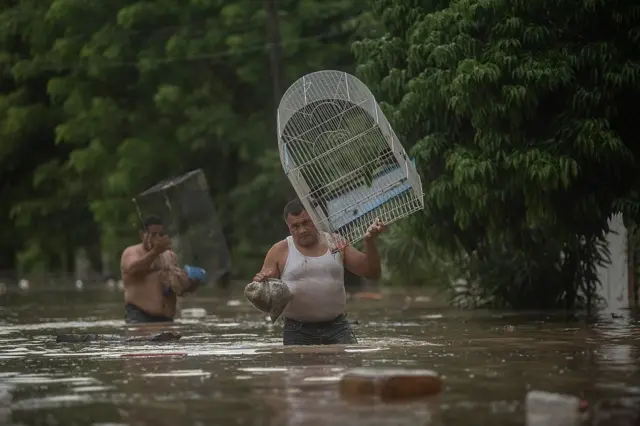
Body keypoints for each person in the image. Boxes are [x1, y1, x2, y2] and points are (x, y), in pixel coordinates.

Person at [252, 198, 386, 345]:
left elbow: (372, 273)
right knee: (297, 368)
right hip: (297, 330)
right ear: (288, 227)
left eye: (306, 223)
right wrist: (263, 284)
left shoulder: (336, 243)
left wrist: (369, 242)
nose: (302, 230)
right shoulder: (279, 250)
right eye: (295, 226)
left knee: (347, 367)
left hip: (337, 327)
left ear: (315, 219)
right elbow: (263, 288)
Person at [120, 215, 207, 324]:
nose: (157, 239)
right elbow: (132, 268)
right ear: (142, 235)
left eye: (160, 235)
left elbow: (178, 289)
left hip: (166, 319)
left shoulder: (169, 255)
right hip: (139, 317)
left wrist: (191, 282)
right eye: (153, 235)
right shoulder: (132, 252)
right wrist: (155, 252)